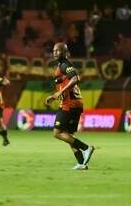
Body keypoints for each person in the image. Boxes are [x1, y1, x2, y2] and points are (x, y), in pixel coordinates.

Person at [45, 42, 94, 170]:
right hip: (73, 103)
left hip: (69, 104)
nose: (55, 53)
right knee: (68, 136)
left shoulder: (65, 64)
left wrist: (59, 93)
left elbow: (75, 78)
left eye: (58, 50)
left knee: (57, 133)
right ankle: (82, 163)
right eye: (54, 50)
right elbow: (67, 83)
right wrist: (54, 95)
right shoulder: (62, 65)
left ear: (64, 52)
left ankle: (86, 148)